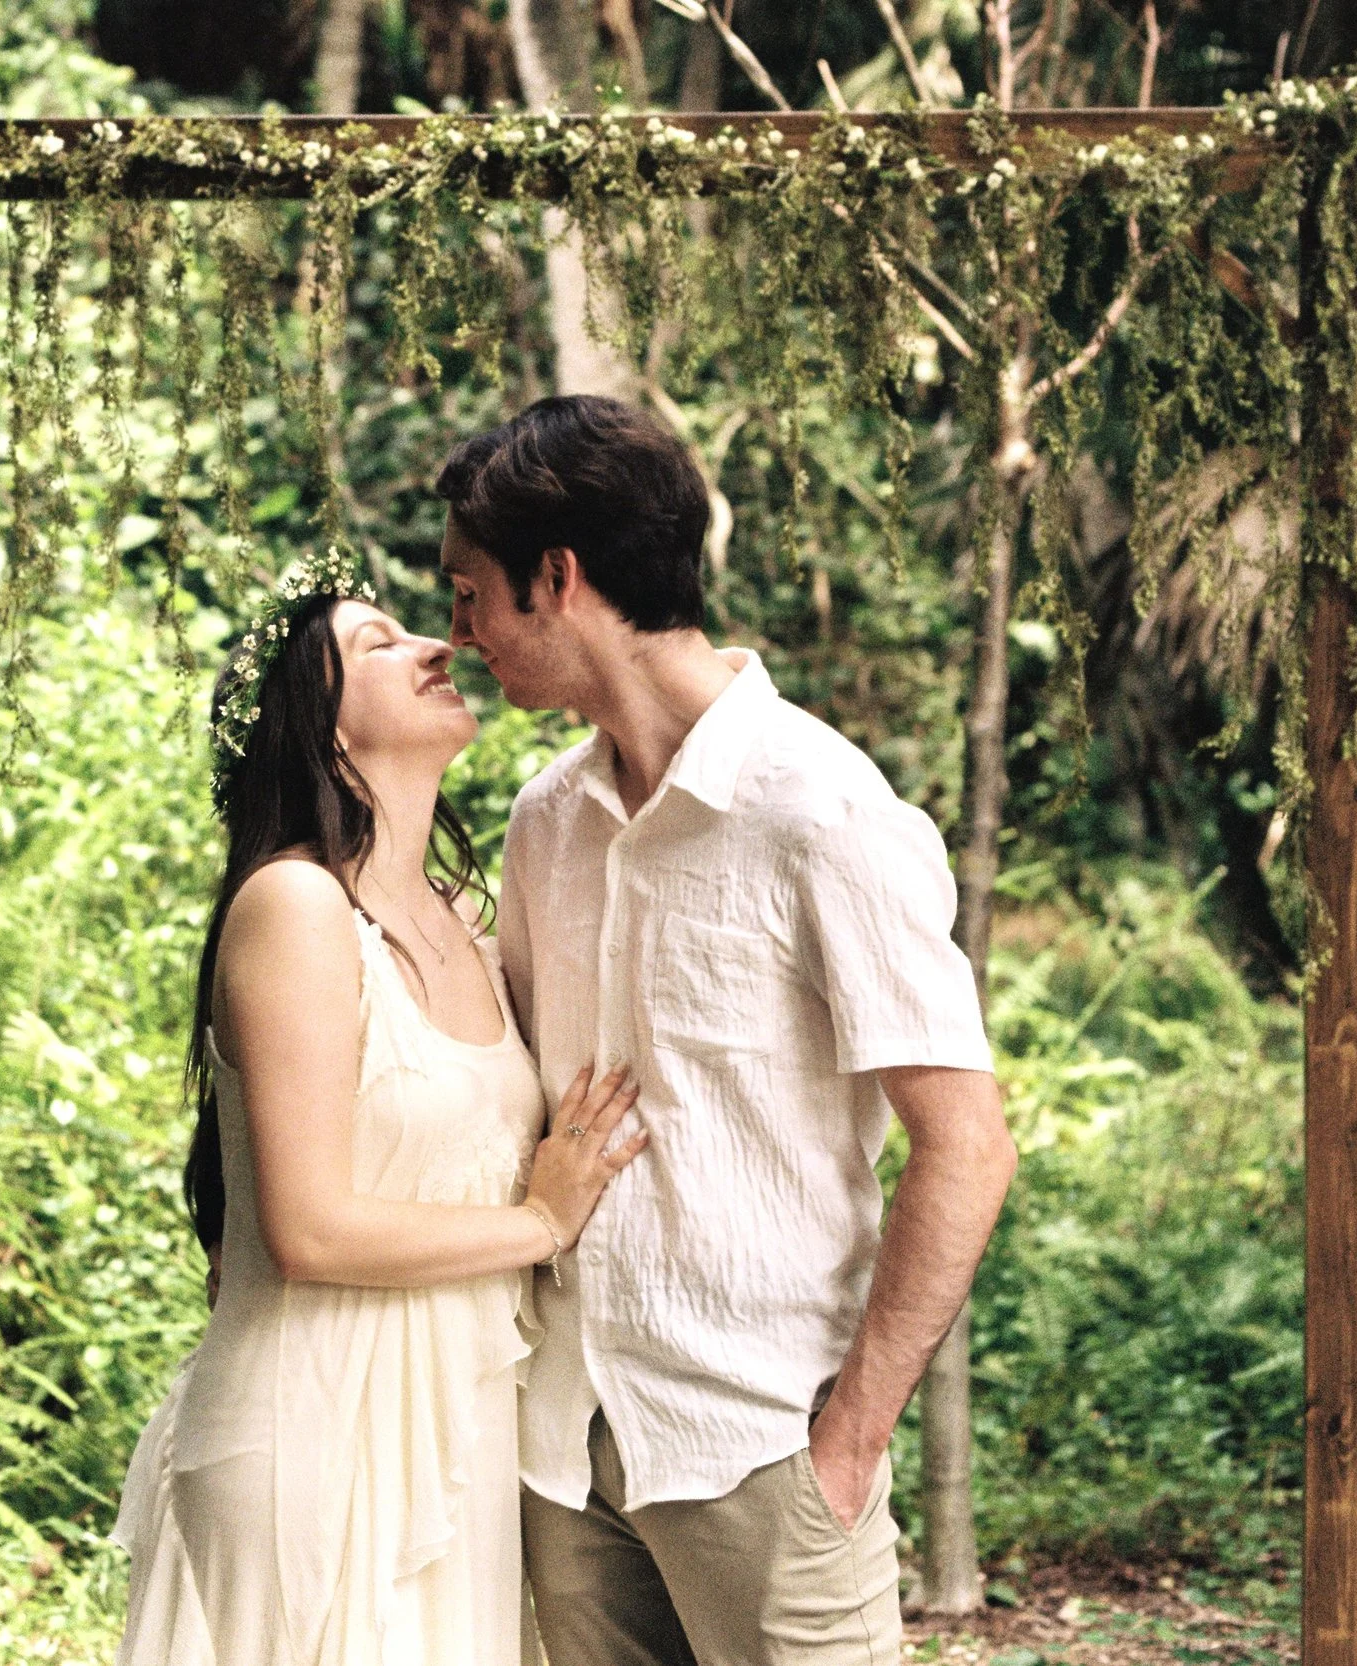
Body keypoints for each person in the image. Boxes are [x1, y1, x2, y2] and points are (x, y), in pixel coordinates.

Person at [436, 395, 1019, 1666]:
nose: (458, 631)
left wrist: (851, 1440)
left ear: (558, 577)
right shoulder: (545, 820)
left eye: (469, 592)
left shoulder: (823, 813)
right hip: (562, 1443)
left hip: (761, 1439)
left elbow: (966, 1146)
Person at [111, 554, 649, 1666]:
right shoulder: (295, 906)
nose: (436, 646)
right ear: (320, 727)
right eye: (380, 644)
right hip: (313, 1427)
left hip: (451, 1437)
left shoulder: (461, 914)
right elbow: (306, 1230)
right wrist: (541, 1223)